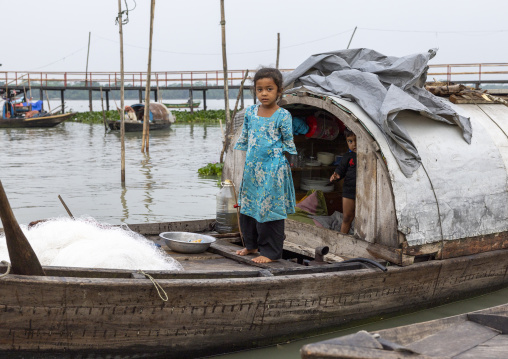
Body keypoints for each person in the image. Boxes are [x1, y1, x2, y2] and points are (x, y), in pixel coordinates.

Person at [233, 67, 297, 263]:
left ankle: (270, 252)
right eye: (259, 89)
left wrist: (286, 165)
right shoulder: (251, 112)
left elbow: (288, 142)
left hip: (273, 169)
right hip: (253, 169)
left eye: (269, 89)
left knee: (269, 208)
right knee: (249, 206)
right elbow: (245, 137)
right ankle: (251, 246)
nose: (264, 93)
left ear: (279, 91)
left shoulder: (283, 115)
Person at [330, 129, 357, 234]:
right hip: (349, 189)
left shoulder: (369, 156)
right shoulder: (347, 157)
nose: (354, 144)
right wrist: (336, 175)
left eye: (357, 140)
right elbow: (341, 169)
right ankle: (342, 238)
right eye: (350, 141)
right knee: (346, 217)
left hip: (365, 193)